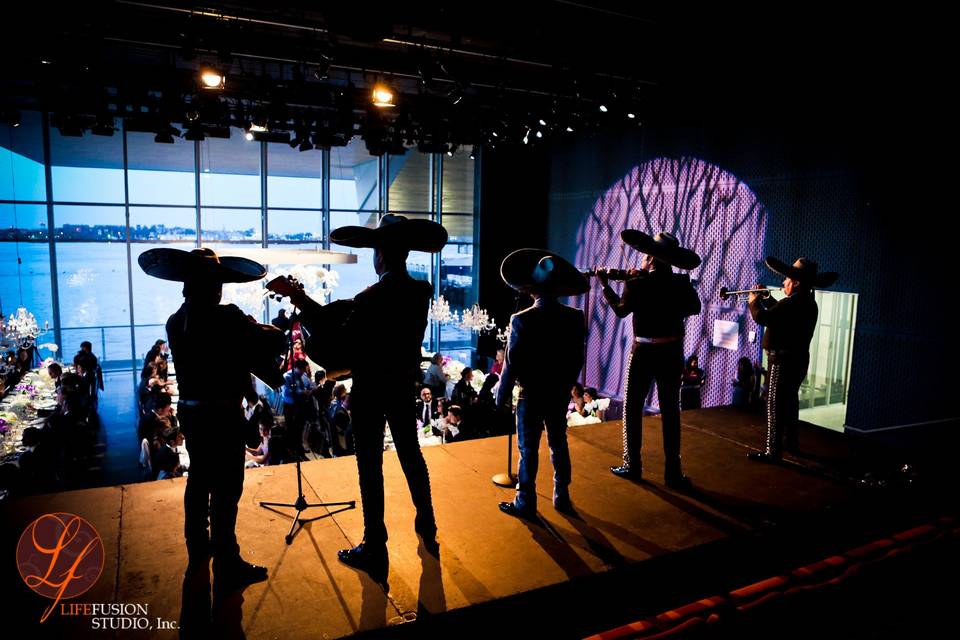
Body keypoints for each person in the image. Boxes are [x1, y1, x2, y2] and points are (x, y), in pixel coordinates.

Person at [139, 246, 286, 590]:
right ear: (215, 286)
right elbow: (275, 338)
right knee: (226, 489)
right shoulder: (227, 317)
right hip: (223, 415)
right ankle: (228, 559)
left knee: (199, 482)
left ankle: (198, 552)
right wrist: (250, 324)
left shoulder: (175, 322)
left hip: (192, 414)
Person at [328, 213, 447, 582]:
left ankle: (374, 546)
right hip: (402, 385)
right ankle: (427, 525)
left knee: (370, 466)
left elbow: (343, 347)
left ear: (381, 254)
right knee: (411, 455)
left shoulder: (371, 297)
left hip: (370, 390)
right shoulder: (421, 291)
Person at [599, 231, 701, 489]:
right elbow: (694, 308)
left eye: (646, 257)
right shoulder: (680, 283)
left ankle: (632, 465)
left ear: (652, 260)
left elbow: (621, 311)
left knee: (632, 408)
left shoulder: (637, 283)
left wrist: (606, 287)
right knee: (671, 412)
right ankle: (673, 473)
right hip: (671, 353)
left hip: (643, 352)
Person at [496, 248, 588, 519]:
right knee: (559, 443)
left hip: (530, 394)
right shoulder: (574, 317)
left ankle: (526, 501)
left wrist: (501, 396)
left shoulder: (522, 319)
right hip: (558, 393)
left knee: (528, 450)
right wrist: (565, 384)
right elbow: (577, 359)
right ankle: (562, 495)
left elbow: (511, 363)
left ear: (532, 289)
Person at [747, 257, 838, 461]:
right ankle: (791, 444)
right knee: (789, 403)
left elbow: (764, 318)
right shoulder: (807, 303)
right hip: (798, 360)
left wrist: (753, 302)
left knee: (773, 403)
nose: (783, 283)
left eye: (787, 279)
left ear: (796, 282)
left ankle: (773, 450)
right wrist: (766, 299)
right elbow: (780, 314)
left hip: (781, 361)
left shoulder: (791, 303)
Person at [282, 359, 314, 459]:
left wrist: (311, 389)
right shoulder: (287, 376)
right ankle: (292, 450)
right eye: (302, 370)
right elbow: (286, 392)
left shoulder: (303, 376)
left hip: (301, 405)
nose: (304, 372)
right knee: (292, 429)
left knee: (300, 428)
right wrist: (301, 392)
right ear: (296, 368)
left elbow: (308, 385)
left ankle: (299, 448)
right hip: (290, 406)